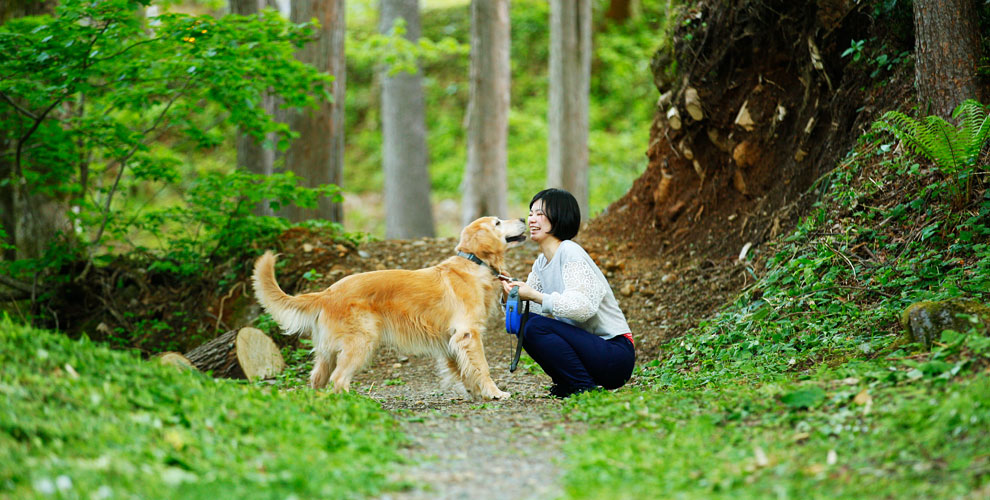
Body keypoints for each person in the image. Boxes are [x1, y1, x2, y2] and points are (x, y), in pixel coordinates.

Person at [502, 188, 635, 398]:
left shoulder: (570, 251)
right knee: (526, 323)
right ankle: (570, 383)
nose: (532, 219)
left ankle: (582, 386)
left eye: (540, 213)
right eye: (530, 213)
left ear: (559, 216)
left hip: (616, 353)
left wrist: (534, 295)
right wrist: (509, 294)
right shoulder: (541, 262)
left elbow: (583, 309)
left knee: (535, 327)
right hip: (590, 352)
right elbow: (531, 311)